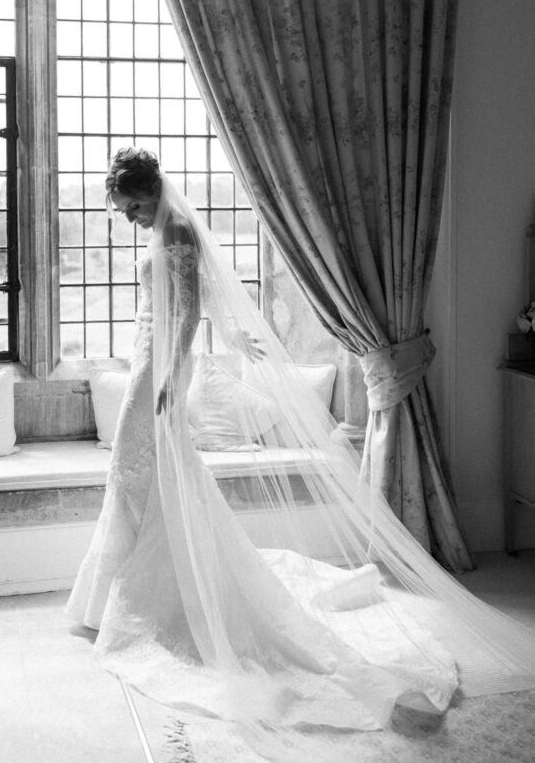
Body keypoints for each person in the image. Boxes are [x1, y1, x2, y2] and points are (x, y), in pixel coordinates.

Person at [67, 147, 535, 761]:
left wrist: (168, 381)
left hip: (160, 371)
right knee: (134, 475)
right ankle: (123, 589)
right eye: (123, 211)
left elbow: (187, 317)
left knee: (146, 473)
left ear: (153, 192)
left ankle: (157, 595)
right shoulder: (162, 225)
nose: (128, 218)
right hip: (144, 367)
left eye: (131, 207)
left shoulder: (176, 228)